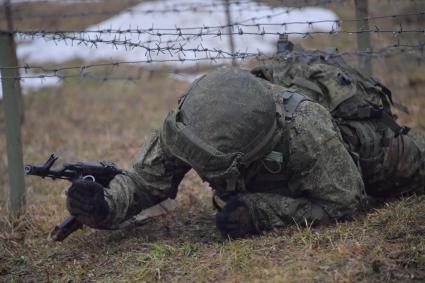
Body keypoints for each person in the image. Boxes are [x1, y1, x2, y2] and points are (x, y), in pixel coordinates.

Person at [66, 48, 425, 239]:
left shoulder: (309, 133)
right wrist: (105, 206)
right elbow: (149, 179)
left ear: (245, 157)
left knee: (413, 167)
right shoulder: (192, 123)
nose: (204, 177)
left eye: (214, 171)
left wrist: (259, 211)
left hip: (358, 142)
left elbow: (345, 202)